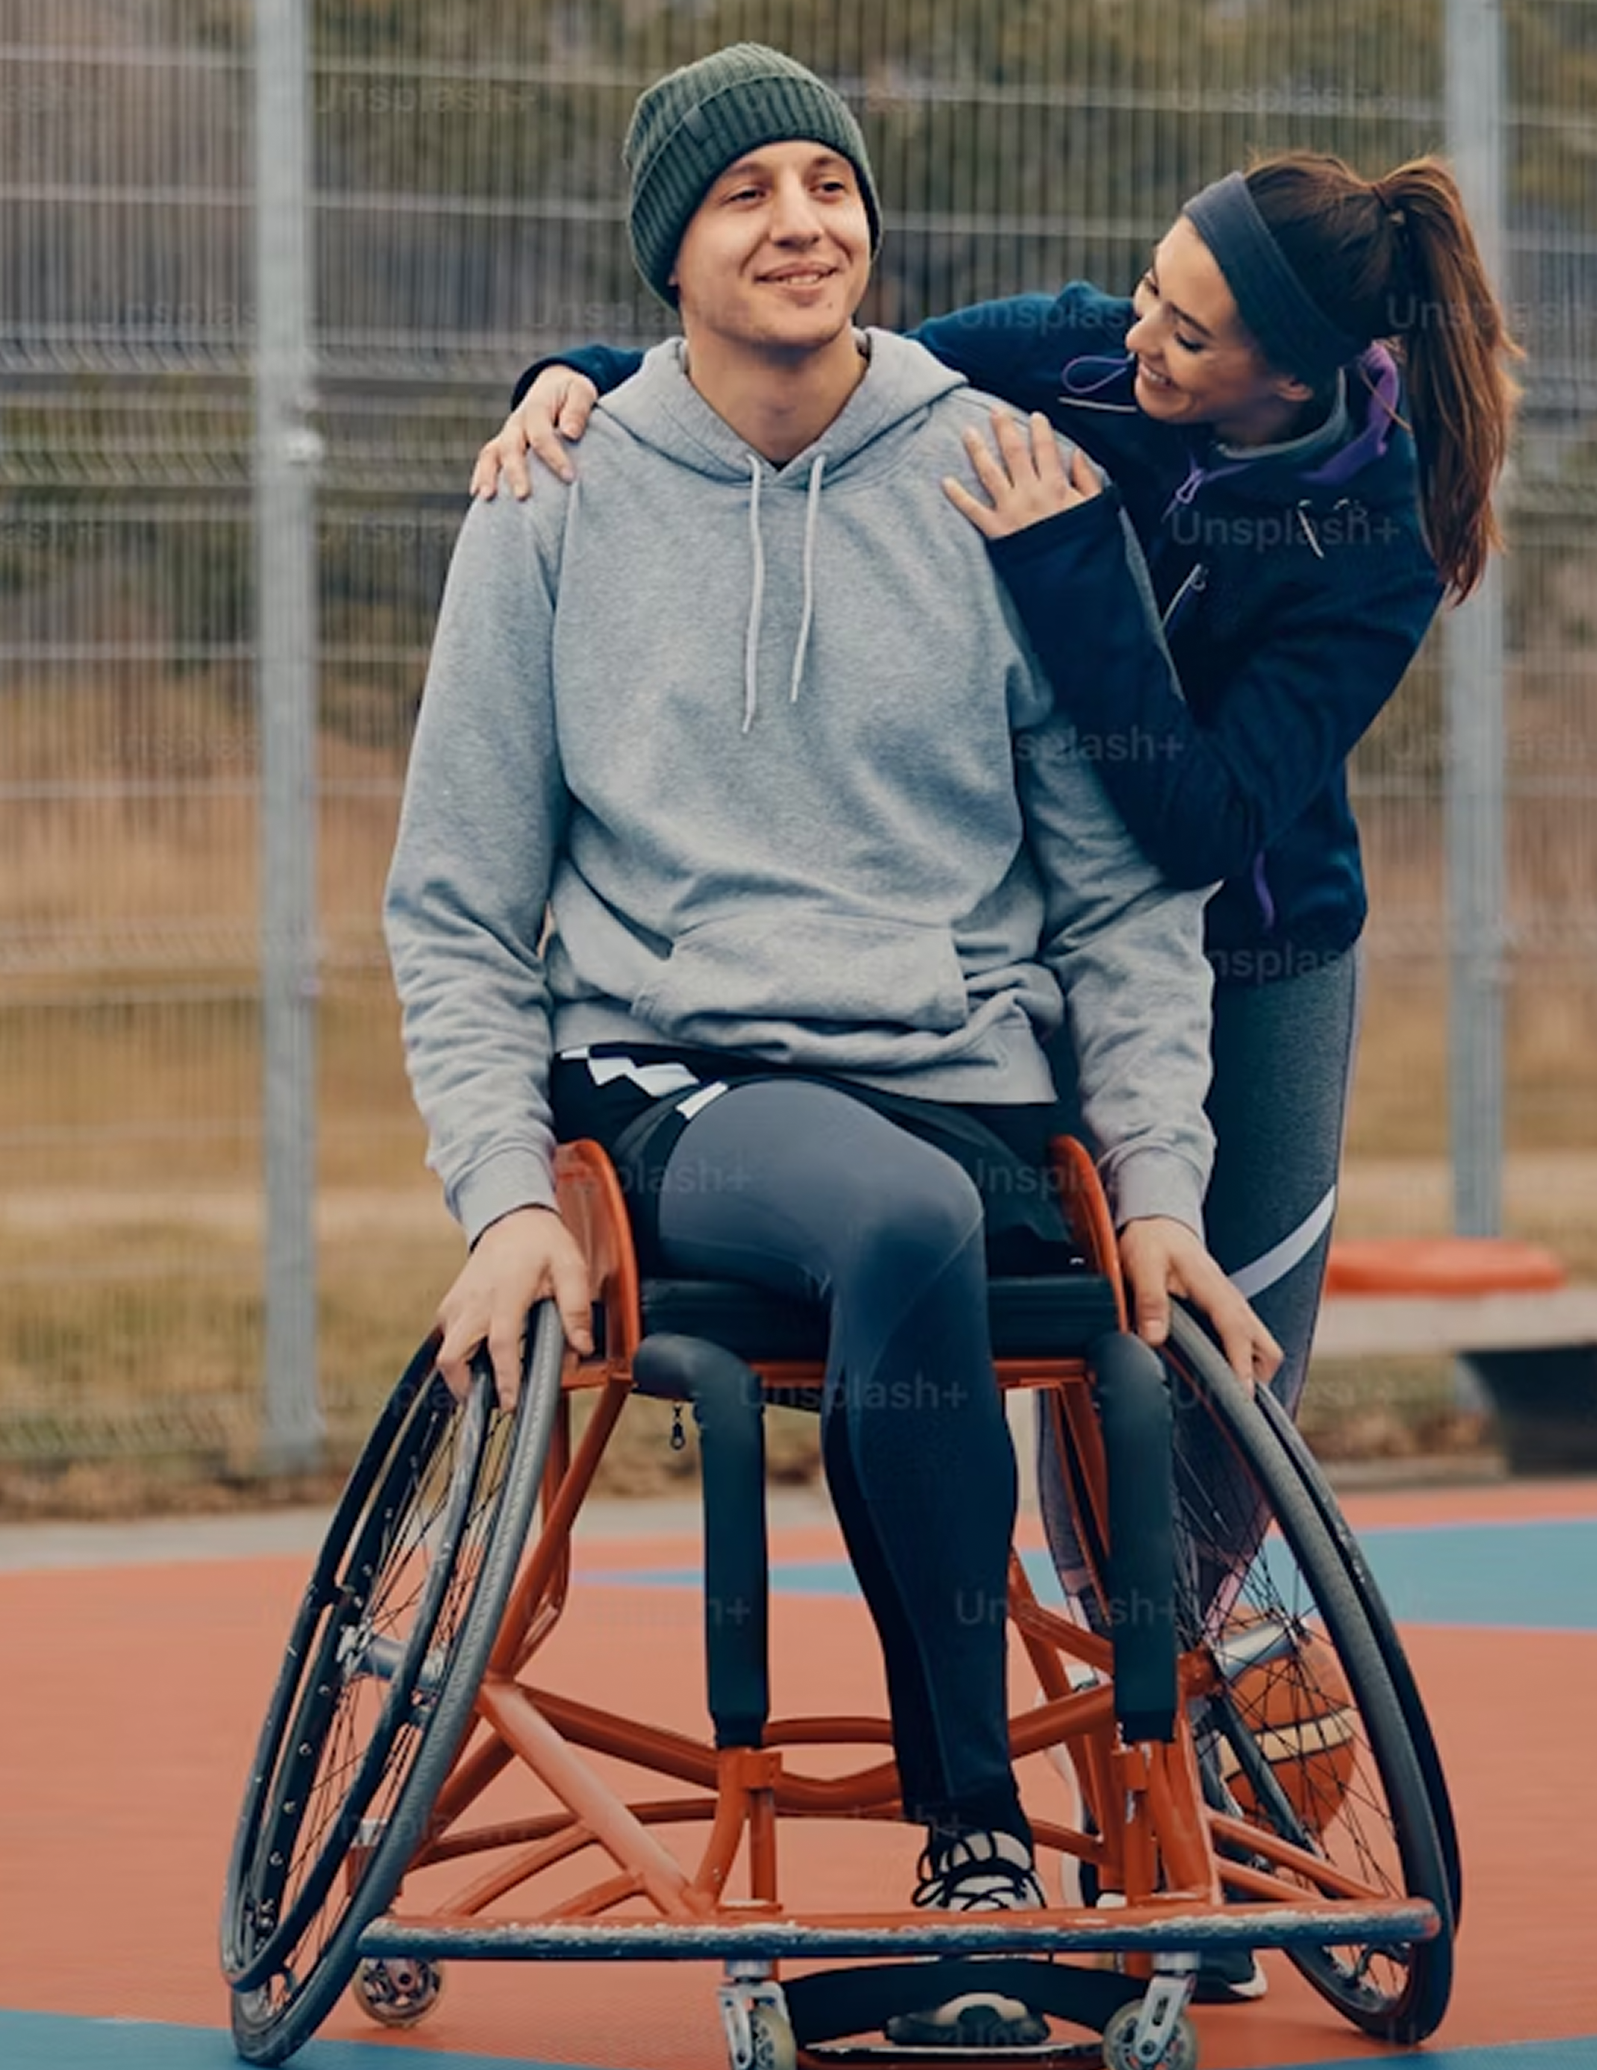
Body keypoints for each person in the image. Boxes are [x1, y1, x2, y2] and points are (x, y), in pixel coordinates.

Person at [384, 43, 1282, 1937]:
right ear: (670, 253)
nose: (803, 224)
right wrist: (495, 1197)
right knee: (899, 1214)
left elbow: (1123, 905)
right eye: (746, 195)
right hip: (679, 1091)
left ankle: (1088, 1794)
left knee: (939, 1204)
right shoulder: (551, 497)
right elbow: (459, 910)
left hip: (969, 1082)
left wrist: (1168, 1186)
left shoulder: (1008, 482)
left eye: (830, 184)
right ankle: (976, 1836)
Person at [473, 146, 1525, 1635]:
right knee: (1045, 1303)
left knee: (1208, 1396)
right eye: (1153, 290)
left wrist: (1070, 563)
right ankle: (1050, 1655)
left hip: (1251, 947)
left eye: (1187, 334)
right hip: (1043, 937)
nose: (1140, 338)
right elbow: (826, 378)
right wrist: (571, 379)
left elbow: (1200, 822)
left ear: (1290, 382)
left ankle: (1184, 1684)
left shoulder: (1374, 540)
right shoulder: (1072, 350)